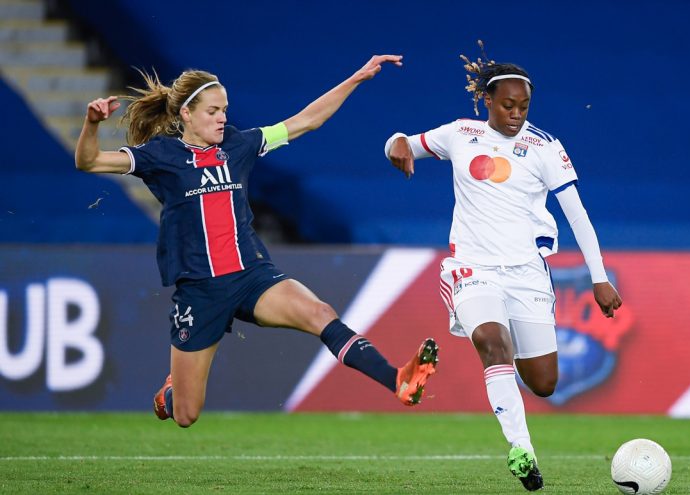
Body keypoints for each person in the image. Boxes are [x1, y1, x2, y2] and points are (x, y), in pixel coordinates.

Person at [74, 55, 438, 428]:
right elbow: (88, 162)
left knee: (320, 314)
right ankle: (171, 393)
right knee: (186, 414)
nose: (222, 118)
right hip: (201, 291)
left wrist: (357, 77)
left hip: (252, 276)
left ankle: (397, 378)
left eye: (225, 110)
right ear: (186, 114)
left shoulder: (239, 145)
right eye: (213, 111)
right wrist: (91, 123)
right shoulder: (160, 156)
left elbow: (306, 121)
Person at [384, 49, 622, 491]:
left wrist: (599, 276)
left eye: (523, 107)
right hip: (472, 267)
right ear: (488, 101)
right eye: (508, 106)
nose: (516, 115)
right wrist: (396, 141)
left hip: (527, 273)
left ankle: (508, 407)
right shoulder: (460, 133)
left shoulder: (545, 147)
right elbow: (403, 143)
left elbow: (578, 214)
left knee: (544, 382)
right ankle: (522, 451)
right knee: (493, 343)